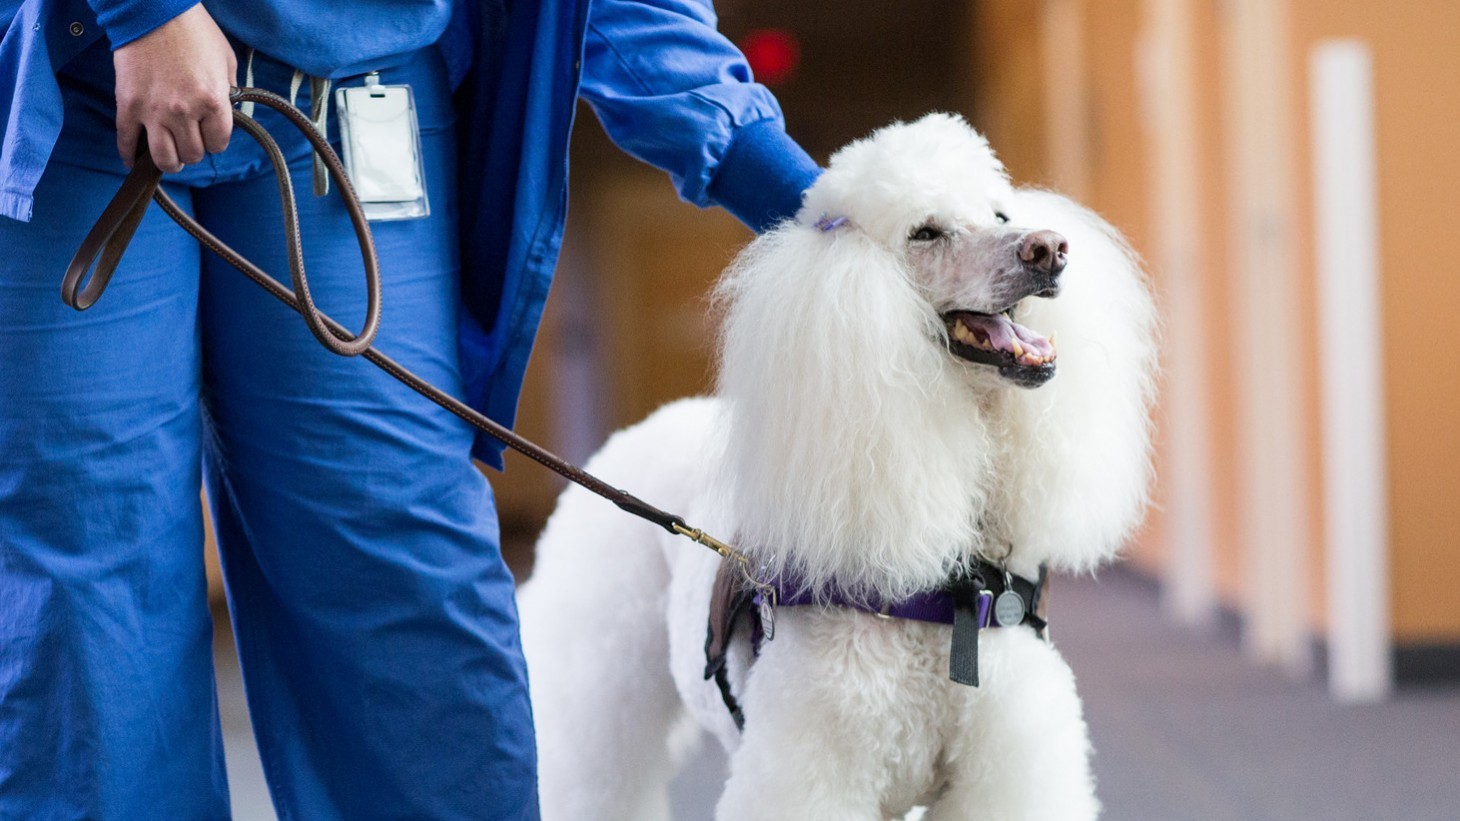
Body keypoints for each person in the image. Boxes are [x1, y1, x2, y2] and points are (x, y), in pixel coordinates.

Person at [0, 0, 819, 817]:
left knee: (403, 578)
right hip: (77, 76)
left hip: (357, 88)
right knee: (90, 596)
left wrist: (815, 210)